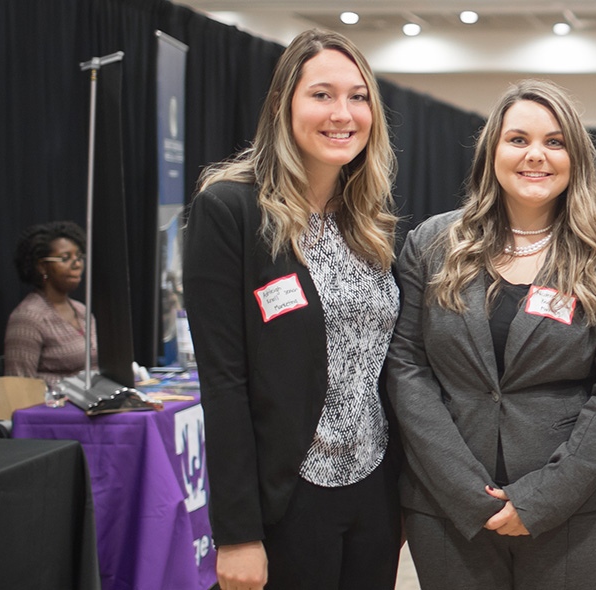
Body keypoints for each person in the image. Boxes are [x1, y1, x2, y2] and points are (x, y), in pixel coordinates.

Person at [386, 79, 596, 589]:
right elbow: (406, 365)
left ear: (576, 157)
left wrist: (544, 496)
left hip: (577, 510)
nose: (536, 155)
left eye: (555, 142)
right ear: (492, 151)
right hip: (446, 505)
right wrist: (463, 488)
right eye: (518, 140)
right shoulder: (432, 243)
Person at [183, 29, 401, 590]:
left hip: (374, 493)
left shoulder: (368, 223)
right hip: (287, 499)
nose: (342, 114)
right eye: (322, 94)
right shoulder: (231, 210)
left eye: (358, 97)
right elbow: (224, 384)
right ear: (283, 105)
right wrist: (236, 533)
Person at [5, 221, 98, 385]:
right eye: (65, 258)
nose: (77, 264)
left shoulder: (82, 310)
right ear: (42, 266)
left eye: (79, 256)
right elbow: (19, 386)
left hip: (94, 403)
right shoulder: (28, 318)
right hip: (53, 408)